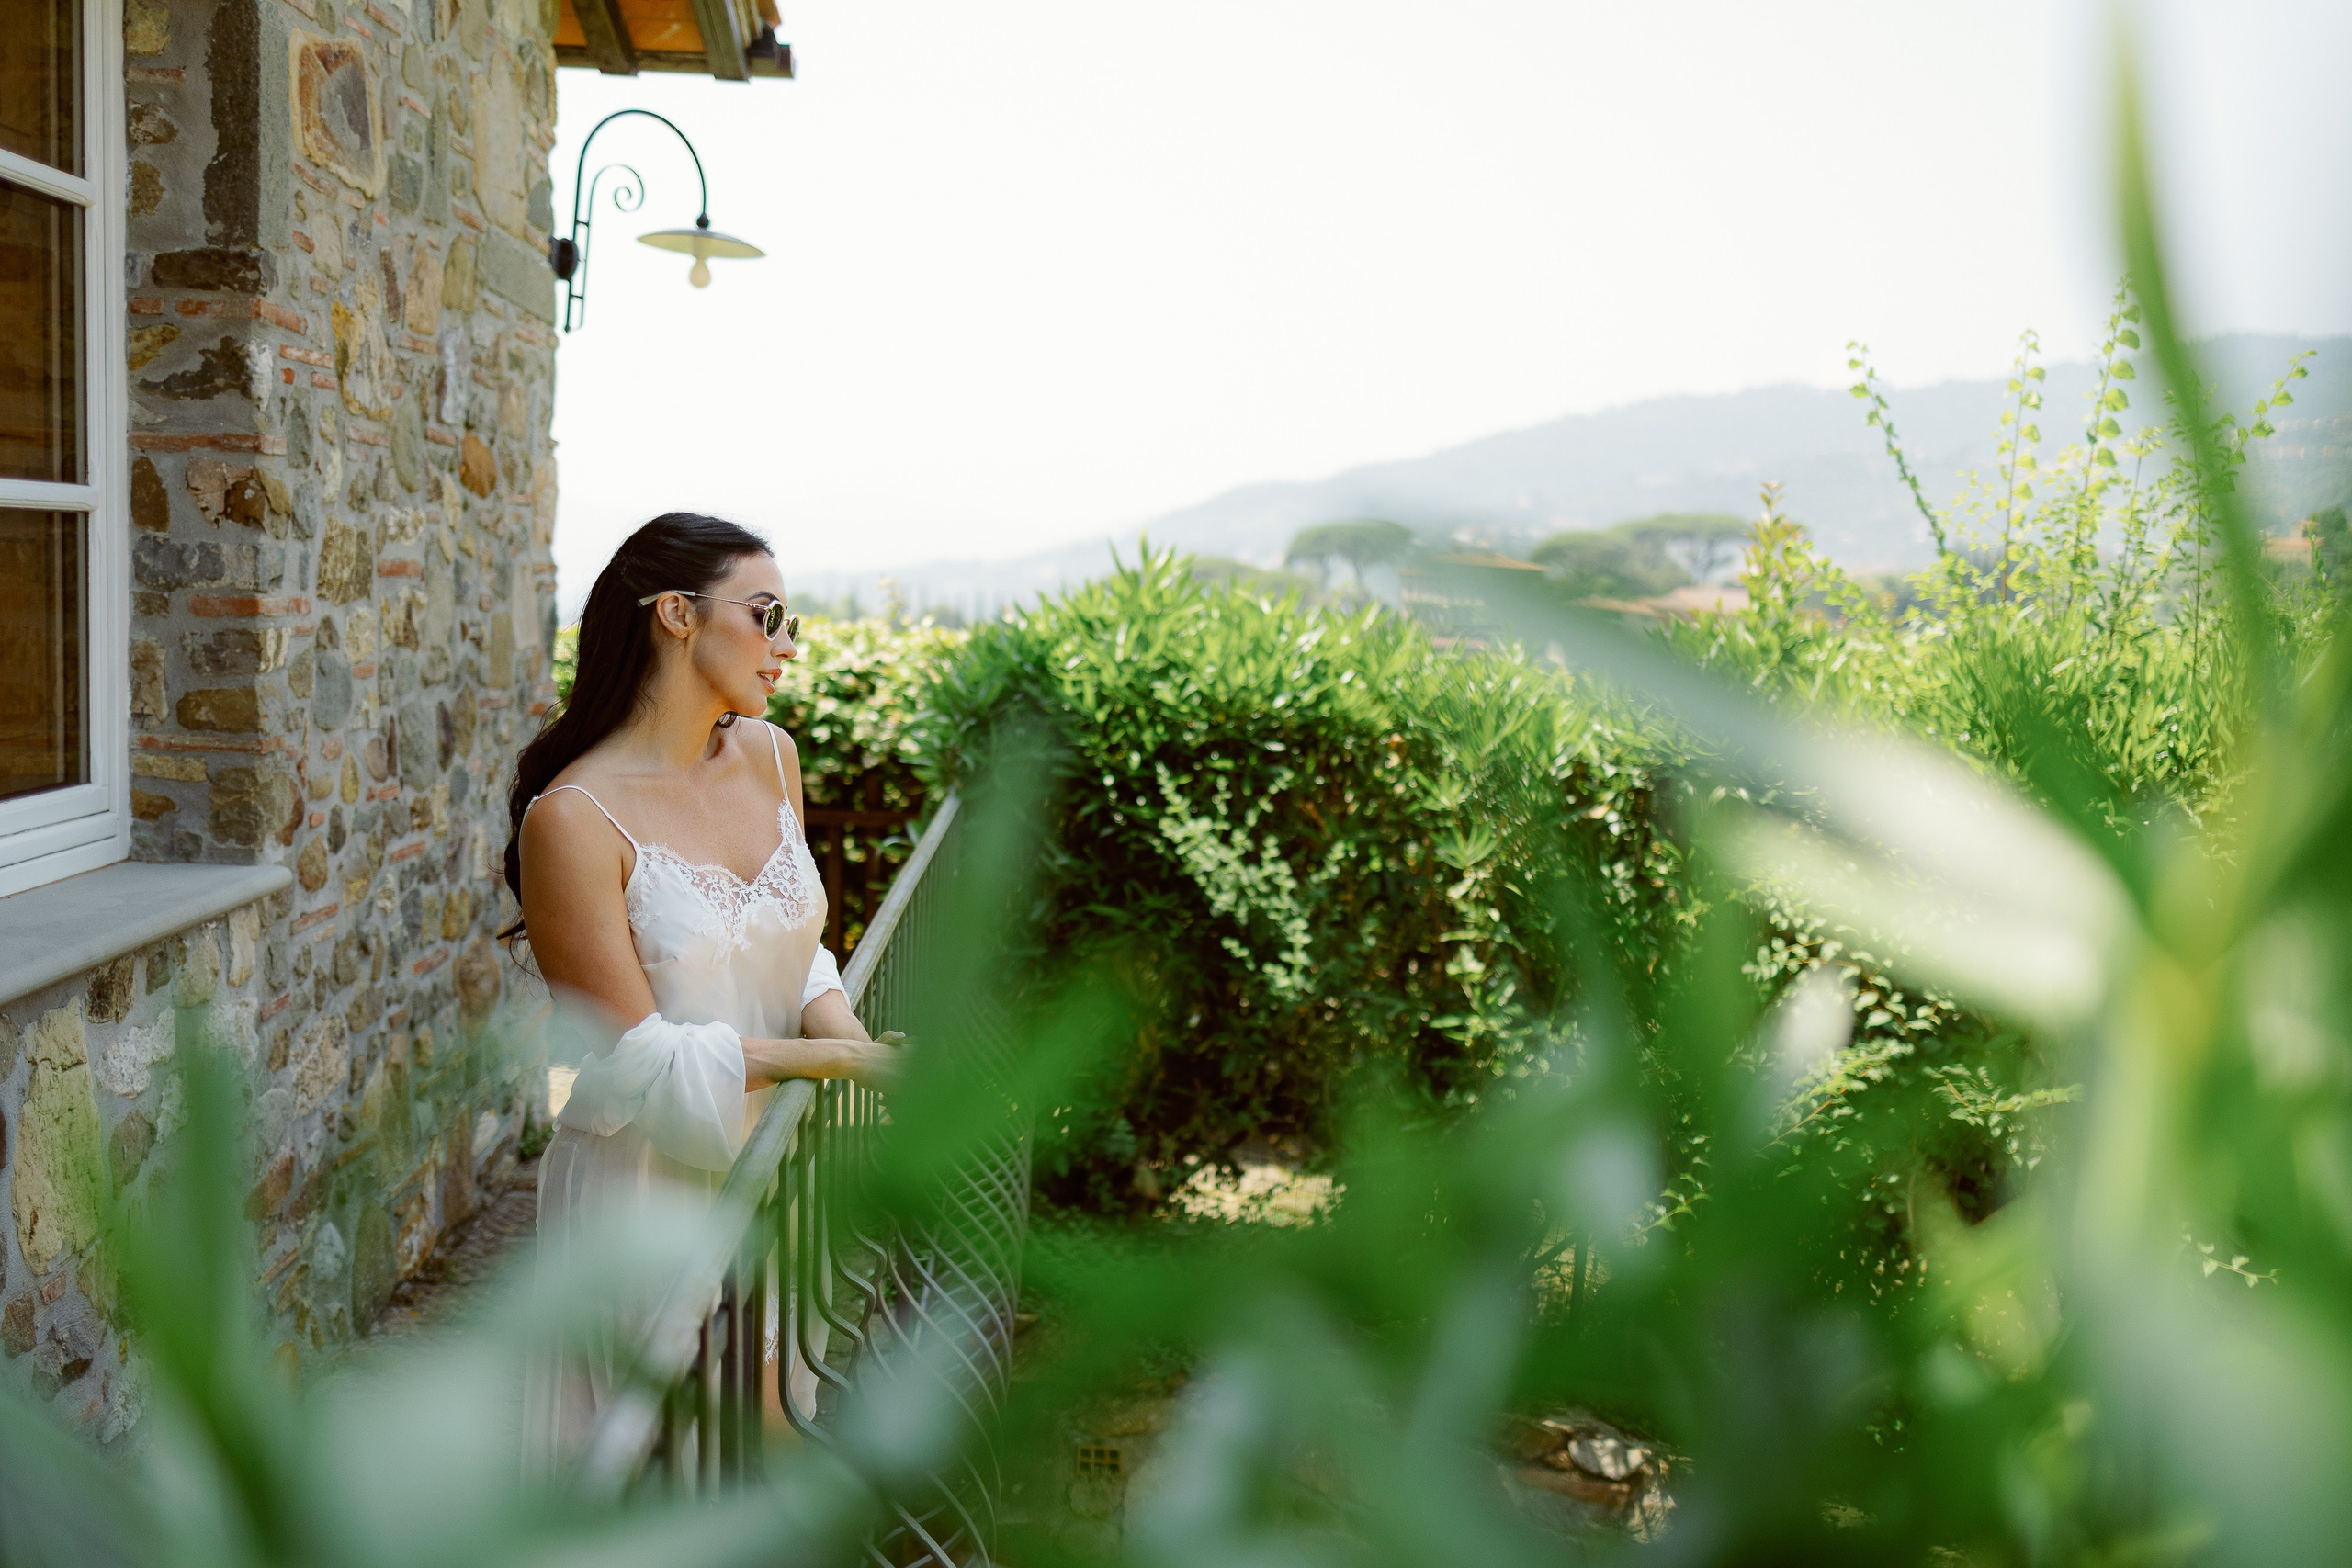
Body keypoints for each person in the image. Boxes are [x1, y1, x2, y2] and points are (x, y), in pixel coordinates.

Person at [502, 513, 899, 1467]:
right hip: (652, 1188)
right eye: (768, 617)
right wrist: (836, 1060)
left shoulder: (772, 759)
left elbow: (791, 940)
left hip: (773, 1162)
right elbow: (635, 1056)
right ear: (676, 615)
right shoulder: (573, 820)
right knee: (669, 1469)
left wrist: (850, 1035)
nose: (786, 648)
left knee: (770, 1440)